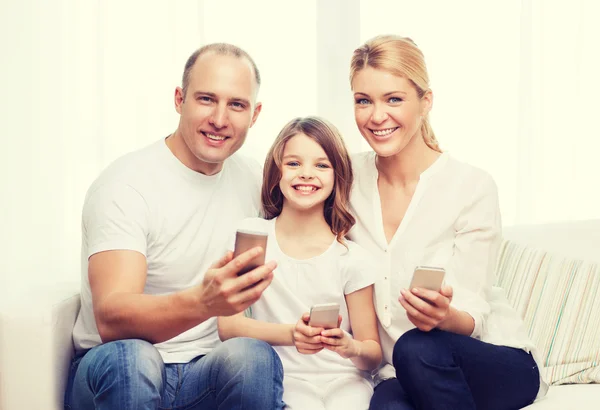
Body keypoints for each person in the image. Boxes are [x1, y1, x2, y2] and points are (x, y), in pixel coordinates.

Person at [64, 43, 286, 410]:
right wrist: (203, 302)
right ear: (179, 99)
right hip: (116, 371)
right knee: (134, 360)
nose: (219, 119)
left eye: (236, 105)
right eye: (206, 99)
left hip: (202, 373)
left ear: (255, 114)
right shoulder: (126, 184)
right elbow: (112, 319)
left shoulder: (254, 179)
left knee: (252, 357)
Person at [347, 35, 548, 410]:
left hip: (491, 359)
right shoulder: (345, 180)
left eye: (394, 99)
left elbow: (475, 310)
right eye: (363, 101)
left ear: (426, 102)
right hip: (400, 371)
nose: (376, 116)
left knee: (417, 347)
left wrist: (446, 315)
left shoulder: (471, 186)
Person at [217, 116, 382, 410]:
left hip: (346, 379)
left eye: (321, 165)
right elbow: (229, 326)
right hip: (286, 378)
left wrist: (349, 345)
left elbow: (371, 352)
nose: (306, 174)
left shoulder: (352, 258)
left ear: (337, 176)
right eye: (294, 164)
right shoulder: (254, 238)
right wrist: (292, 335)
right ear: (276, 172)